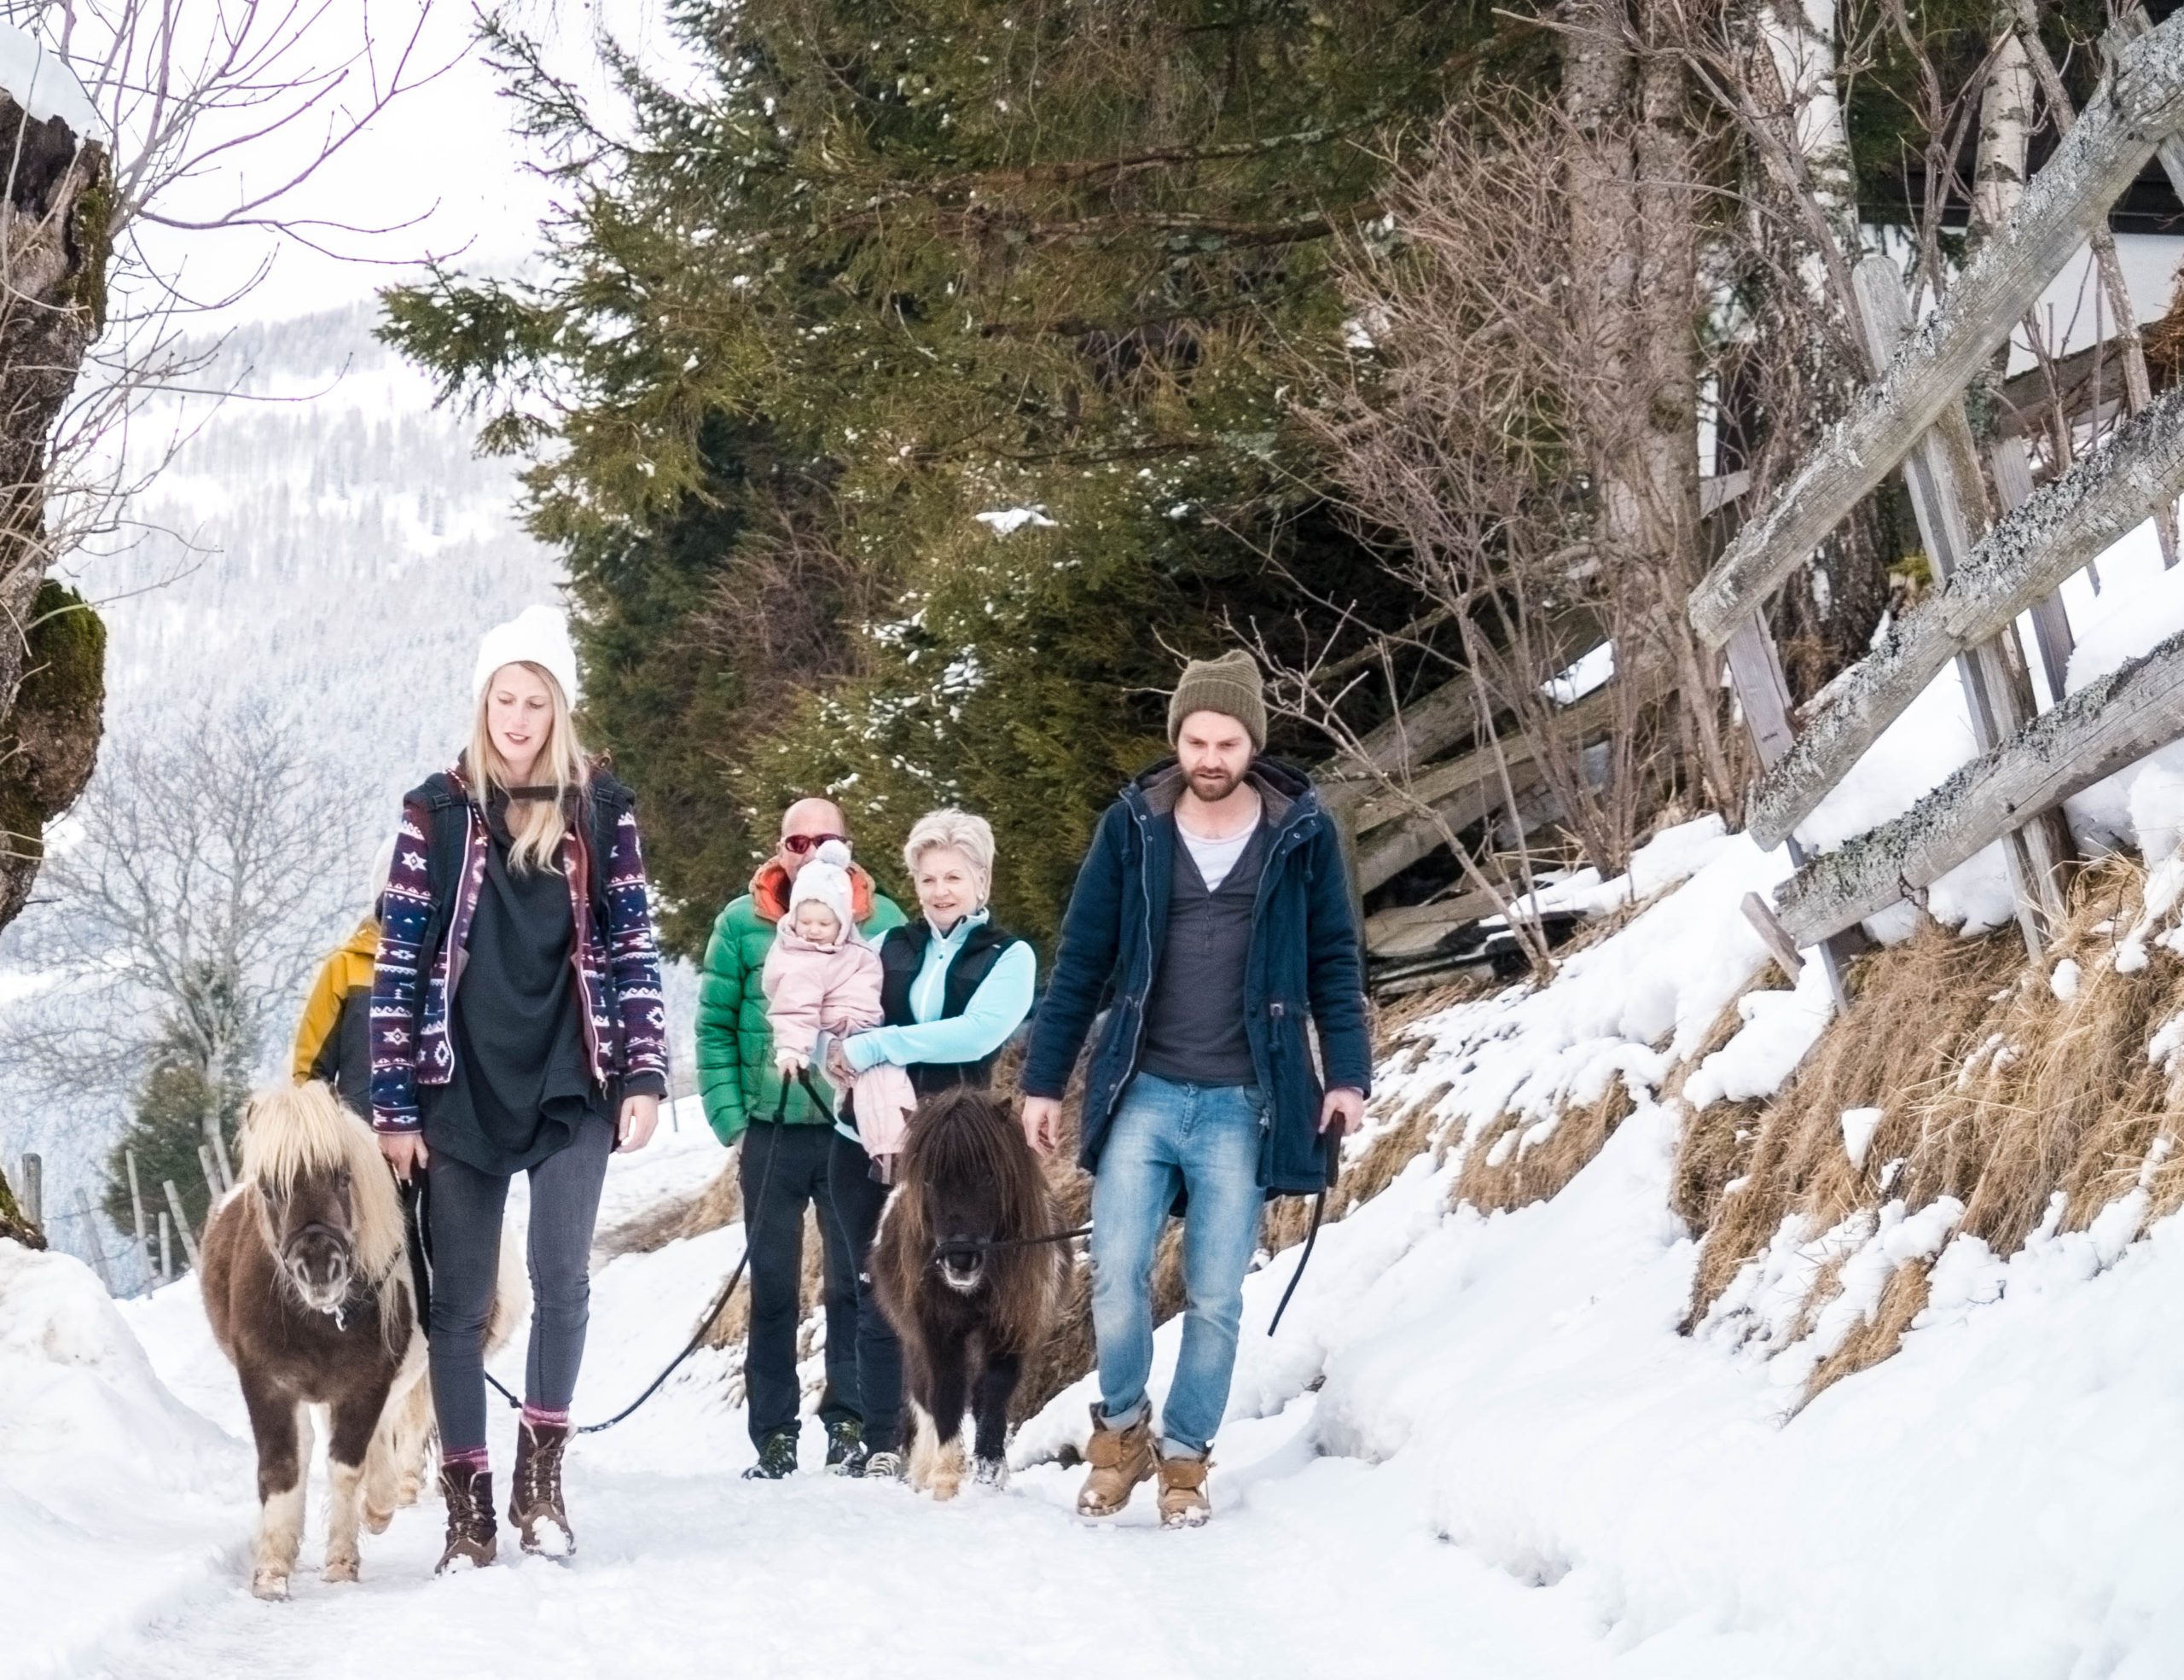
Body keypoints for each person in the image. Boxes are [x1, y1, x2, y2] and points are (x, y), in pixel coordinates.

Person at [1020, 649, 1369, 1529]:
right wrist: (1042, 1083)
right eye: (1194, 738)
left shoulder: (1301, 831)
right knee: (1118, 1276)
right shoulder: (1132, 825)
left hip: (1243, 1100)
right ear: (1176, 737)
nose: (1208, 756)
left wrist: (1347, 1074)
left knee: (1215, 1291)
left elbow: (1334, 958)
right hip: (1142, 1088)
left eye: (1226, 740)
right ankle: (1121, 1434)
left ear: (1252, 741)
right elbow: (1082, 962)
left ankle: (1184, 1459)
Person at [369, 605, 668, 1572]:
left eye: (536, 699)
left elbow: (632, 942)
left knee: (561, 1279)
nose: (518, 714)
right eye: (505, 696)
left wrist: (644, 1072)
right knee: (456, 1305)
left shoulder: (599, 809)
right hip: (457, 1085)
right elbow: (400, 957)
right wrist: (393, 1105)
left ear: (558, 708)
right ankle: (469, 1507)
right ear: (482, 701)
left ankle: (542, 1484)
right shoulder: (437, 812)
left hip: (572, 1076)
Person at [696, 798, 905, 1478]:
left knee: (854, 1282)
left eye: (825, 838)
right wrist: (734, 1119)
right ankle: (774, 1434)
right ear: (780, 847)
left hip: (850, 1132)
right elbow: (714, 1024)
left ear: (846, 847)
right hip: (774, 1128)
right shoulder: (742, 922)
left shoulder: (884, 920)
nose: (809, 848)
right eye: (796, 838)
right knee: (775, 1283)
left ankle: (850, 1421)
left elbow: (907, 1019)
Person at [824, 809, 1035, 1480]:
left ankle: (972, 1432)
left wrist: (880, 1043)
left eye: (954, 876)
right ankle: (887, 1435)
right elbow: (846, 1012)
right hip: (871, 1131)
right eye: (927, 877)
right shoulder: (888, 944)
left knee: (966, 1289)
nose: (940, 890)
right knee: (877, 1287)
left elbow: (975, 1034)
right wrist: (835, 1049)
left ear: (982, 879)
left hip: (961, 1149)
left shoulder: (1010, 955)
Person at [760, 840, 917, 1171]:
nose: (814, 931)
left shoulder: (851, 949)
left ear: (843, 924)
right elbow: (793, 1008)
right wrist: (792, 1050)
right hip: (841, 1032)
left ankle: (894, 1148)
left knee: (883, 1085)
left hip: (862, 1029)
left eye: (824, 924)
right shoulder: (802, 960)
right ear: (793, 919)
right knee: (883, 1080)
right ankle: (892, 1154)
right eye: (806, 922)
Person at [292, 835, 394, 1116]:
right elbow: (310, 1074)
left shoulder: (451, 965)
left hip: (446, 1143)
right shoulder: (344, 968)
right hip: (364, 1140)